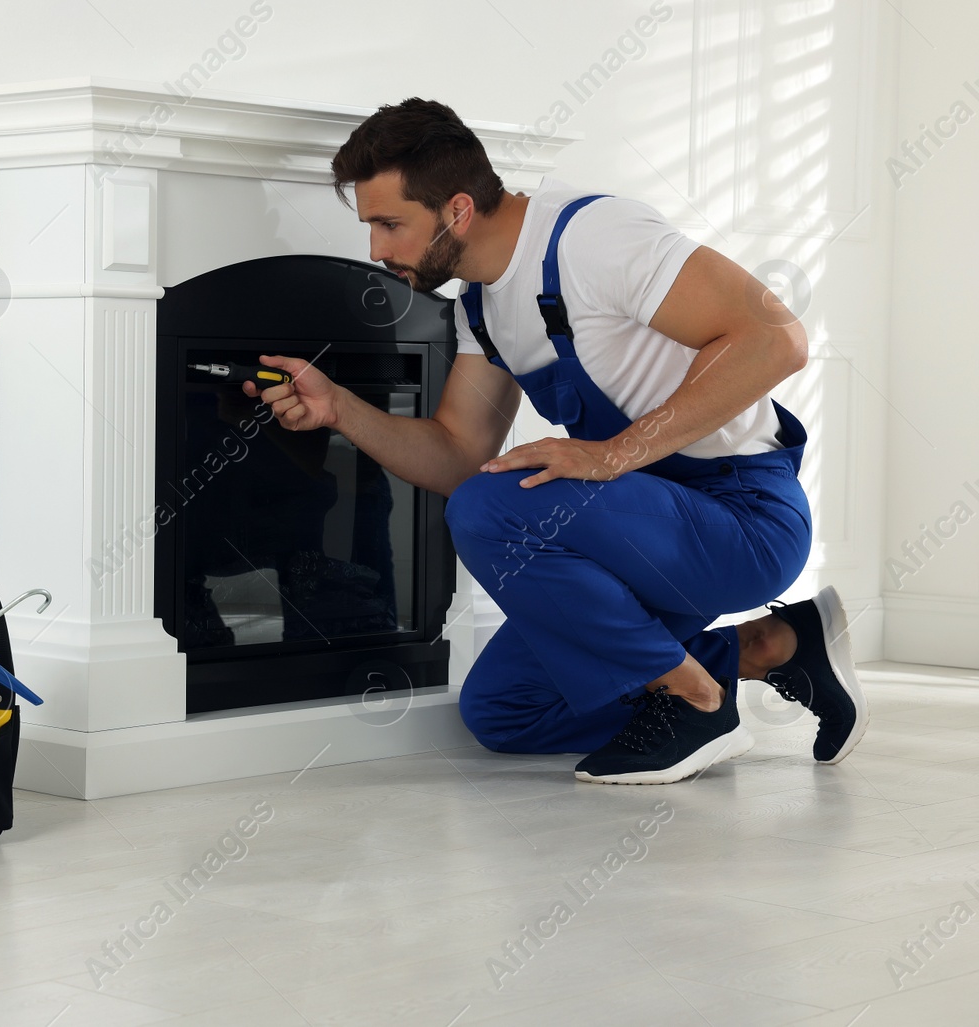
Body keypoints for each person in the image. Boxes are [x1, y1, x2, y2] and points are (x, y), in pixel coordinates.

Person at [248, 98, 867, 784]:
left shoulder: (592, 238)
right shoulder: (481, 304)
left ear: (456, 210)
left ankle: (698, 704)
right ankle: (777, 645)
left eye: (390, 225)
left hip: (742, 517)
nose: (377, 250)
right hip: (638, 530)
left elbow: (776, 339)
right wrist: (340, 409)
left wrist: (613, 454)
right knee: (506, 710)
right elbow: (458, 454)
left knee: (489, 507)